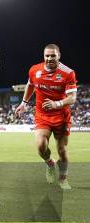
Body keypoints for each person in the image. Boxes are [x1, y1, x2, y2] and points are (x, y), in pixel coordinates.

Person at [15, 44, 77, 190]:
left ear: (59, 56)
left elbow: (72, 98)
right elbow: (30, 85)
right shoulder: (34, 70)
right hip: (42, 115)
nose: (49, 58)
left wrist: (57, 104)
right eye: (47, 56)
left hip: (62, 116)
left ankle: (63, 179)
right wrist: (24, 103)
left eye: (53, 55)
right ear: (44, 56)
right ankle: (50, 163)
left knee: (61, 149)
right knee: (41, 146)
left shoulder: (68, 73)